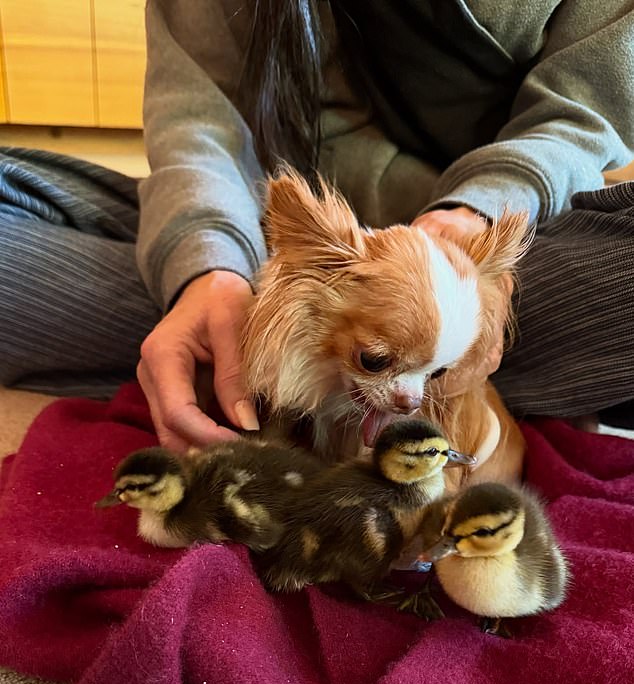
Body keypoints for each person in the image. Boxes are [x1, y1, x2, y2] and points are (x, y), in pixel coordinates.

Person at [1, 0, 634, 451]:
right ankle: (244, 325)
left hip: (491, 237)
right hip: (281, 234)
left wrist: (480, 216)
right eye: (380, 357)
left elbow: (580, 113)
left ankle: (264, 357)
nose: (412, 399)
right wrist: (206, 265)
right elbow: (202, 122)